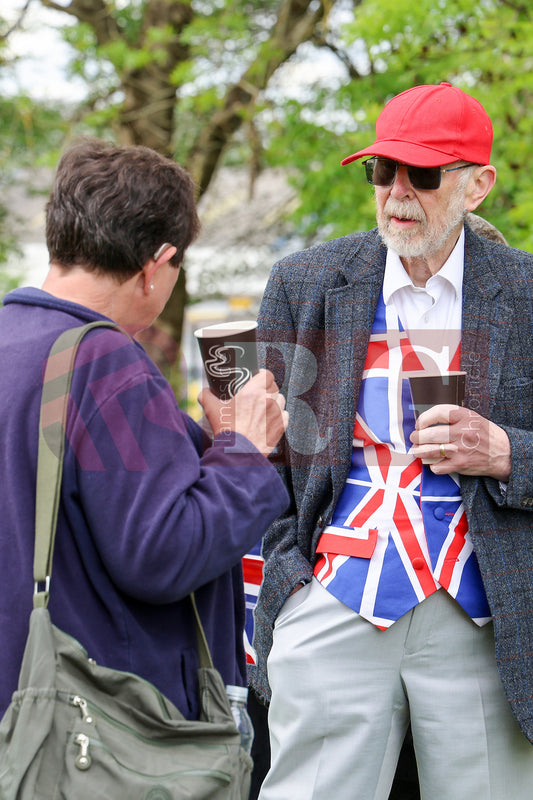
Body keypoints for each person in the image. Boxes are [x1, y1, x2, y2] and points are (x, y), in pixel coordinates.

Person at [251, 82, 533, 799]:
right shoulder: (304, 282)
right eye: (383, 171)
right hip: (336, 596)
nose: (397, 193)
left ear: (477, 185)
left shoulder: (525, 294)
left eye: (423, 174)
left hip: (485, 615)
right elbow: (276, 462)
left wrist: (505, 452)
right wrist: (293, 594)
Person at [0, 137, 290, 723]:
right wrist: (246, 450)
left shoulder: (12, 340)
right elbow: (163, 551)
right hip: (103, 727)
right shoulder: (104, 362)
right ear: (156, 265)